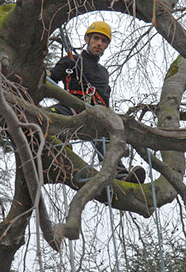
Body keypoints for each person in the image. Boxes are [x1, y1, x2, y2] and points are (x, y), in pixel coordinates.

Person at [48, 21, 146, 184]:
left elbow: (105, 101)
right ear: (87, 39)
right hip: (70, 107)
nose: (99, 43)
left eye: (103, 41)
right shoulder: (71, 61)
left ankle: (121, 176)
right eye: (96, 39)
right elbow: (50, 79)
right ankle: (59, 147)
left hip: (95, 116)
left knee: (106, 142)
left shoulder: (103, 73)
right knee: (47, 116)